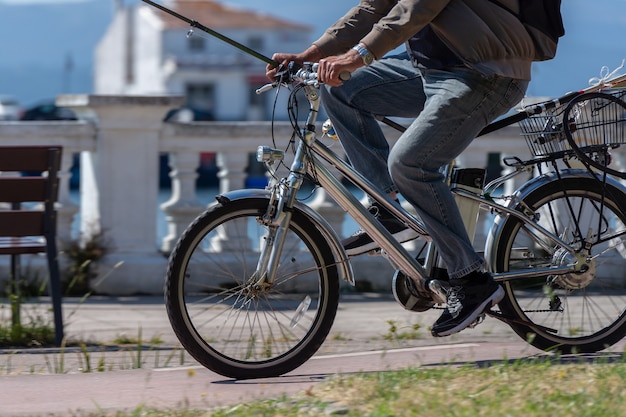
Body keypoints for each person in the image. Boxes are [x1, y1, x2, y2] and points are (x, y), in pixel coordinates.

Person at [266, 0, 534, 337]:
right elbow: (373, 9)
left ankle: (470, 279)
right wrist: (310, 54)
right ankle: (386, 209)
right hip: (430, 67)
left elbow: (418, 5)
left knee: (410, 163)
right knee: (341, 90)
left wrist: (357, 56)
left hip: (485, 70)